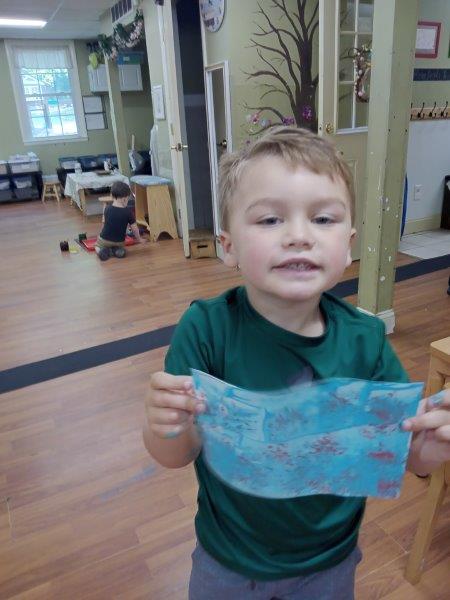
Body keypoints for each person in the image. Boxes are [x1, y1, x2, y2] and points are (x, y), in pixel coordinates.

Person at [143, 126, 450, 599]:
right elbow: (174, 455)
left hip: (328, 565)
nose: (299, 236)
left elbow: (407, 454)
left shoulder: (365, 341)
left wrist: (429, 446)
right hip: (227, 562)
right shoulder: (206, 331)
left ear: (349, 244)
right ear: (228, 245)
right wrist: (165, 425)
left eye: (323, 219)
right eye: (270, 219)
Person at [95, 181, 145, 261]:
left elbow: (104, 223)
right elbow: (134, 228)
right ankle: (117, 250)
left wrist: (100, 235)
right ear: (124, 199)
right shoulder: (128, 212)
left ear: (112, 196)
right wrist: (139, 239)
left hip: (105, 239)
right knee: (119, 246)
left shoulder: (107, 208)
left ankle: (102, 251)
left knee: (97, 246)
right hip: (119, 241)